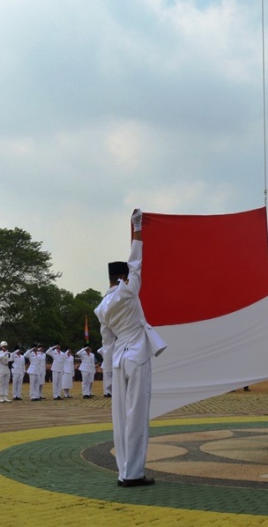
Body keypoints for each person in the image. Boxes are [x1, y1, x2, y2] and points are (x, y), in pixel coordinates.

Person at [94, 208, 166, 487]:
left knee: (121, 419)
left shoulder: (101, 308)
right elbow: (137, 261)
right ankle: (134, 474)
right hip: (136, 357)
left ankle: (124, 470)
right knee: (137, 417)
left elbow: (106, 343)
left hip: (118, 360)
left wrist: (108, 379)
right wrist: (138, 228)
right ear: (123, 278)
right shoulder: (128, 291)